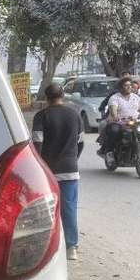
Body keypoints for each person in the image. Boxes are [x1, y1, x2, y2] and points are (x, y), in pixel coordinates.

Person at [32, 83, 84, 260]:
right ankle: (71, 248)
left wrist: (38, 167)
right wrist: (72, 159)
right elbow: (80, 142)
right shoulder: (75, 114)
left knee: (46, 209)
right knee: (68, 208)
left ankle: (48, 247)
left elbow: (37, 144)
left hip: (47, 171)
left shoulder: (41, 116)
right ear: (63, 95)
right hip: (70, 169)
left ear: (46, 98)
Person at [99, 76, 140, 155]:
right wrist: (115, 116)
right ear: (121, 87)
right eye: (126, 85)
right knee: (114, 130)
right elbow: (113, 109)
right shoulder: (115, 97)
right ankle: (109, 152)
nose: (129, 87)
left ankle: (139, 151)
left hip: (134, 122)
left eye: (130, 85)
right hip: (119, 122)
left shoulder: (136, 97)